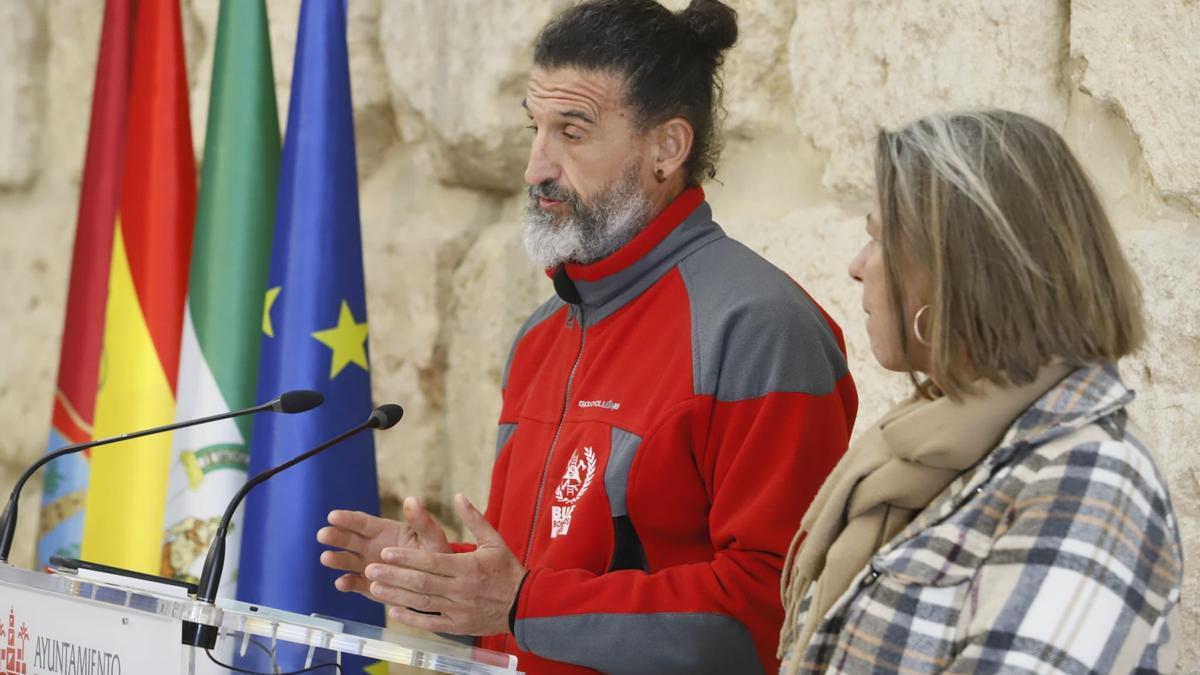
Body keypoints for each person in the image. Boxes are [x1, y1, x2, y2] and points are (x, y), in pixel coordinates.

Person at [317, 0, 857, 672]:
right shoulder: (543, 333)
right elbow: (544, 589)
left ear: (667, 148)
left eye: (571, 132)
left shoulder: (759, 328)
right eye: (534, 129)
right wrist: (448, 584)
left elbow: (771, 609)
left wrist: (518, 602)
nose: (535, 167)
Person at [776, 109, 1184, 674]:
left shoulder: (1089, 481)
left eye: (879, 240)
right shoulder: (939, 443)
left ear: (957, 269)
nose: (856, 267)